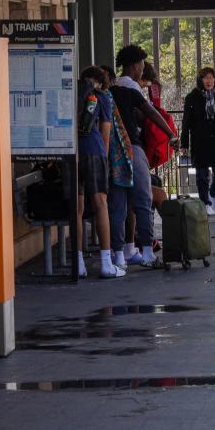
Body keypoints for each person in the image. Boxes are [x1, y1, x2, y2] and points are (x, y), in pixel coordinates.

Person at [109, 45, 177, 268]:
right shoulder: (131, 89)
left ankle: (120, 254)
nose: (142, 70)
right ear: (135, 65)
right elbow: (149, 112)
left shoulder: (111, 88)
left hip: (112, 150)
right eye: (141, 65)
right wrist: (170, 134)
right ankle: (147, 251)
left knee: (119, 203)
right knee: (142, 198)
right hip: (131, 147)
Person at [75, 67, 123, 278]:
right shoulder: (102, 97)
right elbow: (105, 131)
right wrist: (105, 158)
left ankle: (78, 263)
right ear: (101, 82)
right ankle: (106, 262)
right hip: (94, 151)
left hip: (71, 152)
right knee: (100, 205)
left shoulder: (71, 94)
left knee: (76, 209)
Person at [181, 66, 215, 215]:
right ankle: (205, 202)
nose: (209, 81)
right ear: (200, 80)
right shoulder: (192, 97)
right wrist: (184, 143)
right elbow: (186, 122)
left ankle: (213, 194)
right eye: (206, 78)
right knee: (202, 175)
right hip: (200, 140)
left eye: (211, 78)